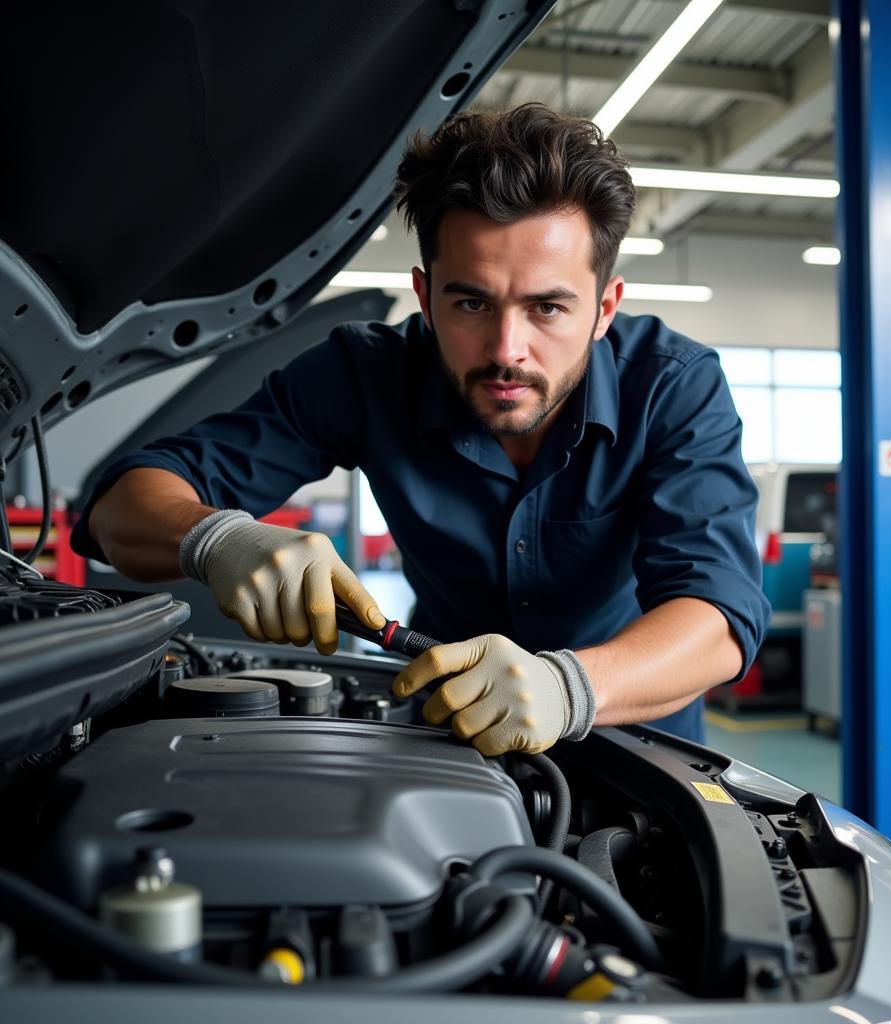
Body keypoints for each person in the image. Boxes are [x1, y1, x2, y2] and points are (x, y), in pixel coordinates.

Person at [73, 103, 769, 755]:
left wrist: (569, 687)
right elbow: (118, 508)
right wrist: (215, 539)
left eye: (548, 308)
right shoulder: (364, 375)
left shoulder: (672, 386)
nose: (505, 349)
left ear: (604, 308)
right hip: (441, 736)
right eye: (471, 302)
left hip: (635, 743)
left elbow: (718, 613)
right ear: (425, 297)